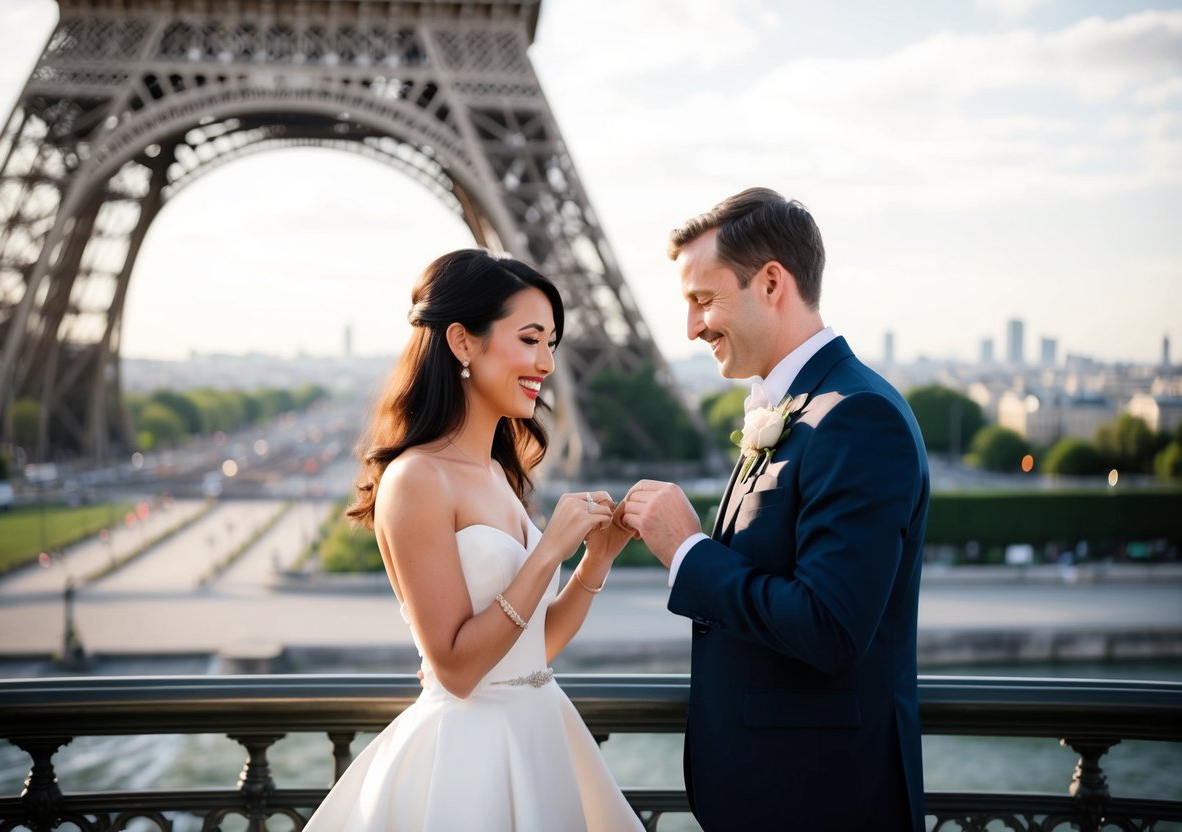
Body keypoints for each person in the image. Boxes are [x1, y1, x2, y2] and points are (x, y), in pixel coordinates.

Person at [617, 188, 929, 831]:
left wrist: (687, 551)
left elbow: (831, 627)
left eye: (704, 300)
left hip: (820, 804)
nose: (691, 327)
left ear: (770, 282)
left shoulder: (857, 418)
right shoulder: (806, 408)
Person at [303, 249, 643, 832]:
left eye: (551, 344)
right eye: (531, 339)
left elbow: (532, 649)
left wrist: (593, 562)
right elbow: (459, 669)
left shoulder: (497, 473)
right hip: (469, 756)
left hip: (538, 730)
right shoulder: (417, 479)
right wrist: (547, 551)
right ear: (463, 342)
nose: (546, 362)